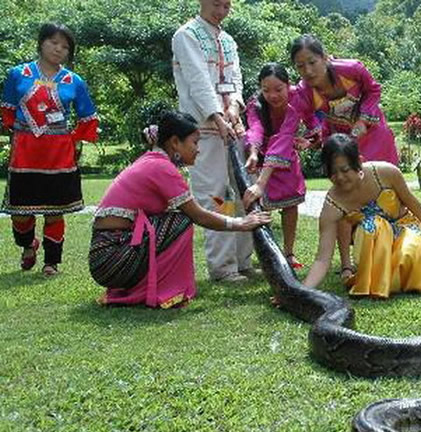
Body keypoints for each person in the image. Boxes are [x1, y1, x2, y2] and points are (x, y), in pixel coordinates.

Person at [89, 111, 271, 308]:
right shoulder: (161, 167)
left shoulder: (153, 161)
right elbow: (198, 215)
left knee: (175, 219)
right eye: (194, 142)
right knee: (181, 222)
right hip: (112, 258)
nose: (198, 150)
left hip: (108, 256)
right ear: (175, 142)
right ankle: (162, 290)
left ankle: (145, 287)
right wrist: (241, 223)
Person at [266, 34, 400, 282]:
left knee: (383, 194)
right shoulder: (303, 94)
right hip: (343, 146)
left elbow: (373, 89)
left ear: (325, 58)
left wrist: (363, 120)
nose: (307, 71)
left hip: (374, 136)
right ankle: (347, 264)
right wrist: (262, 180)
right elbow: (289, 131)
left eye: (312, 62)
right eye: (300, 66)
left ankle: (389, 251)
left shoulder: (352, 69)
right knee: (345, 199)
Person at [302, 134, 421, 298]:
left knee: (410, 255)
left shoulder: (385, 173)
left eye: (345, 170)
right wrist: (301, 291)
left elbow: (411, 201)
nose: (339, 177)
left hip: (404, 228)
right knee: (373, 225)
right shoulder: (332, 204)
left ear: (359, 162)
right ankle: (376, 277)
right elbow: (322, 259)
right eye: (332, 172)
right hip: (371, 241)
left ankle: (392, 276)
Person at [1, 23, 98, 276]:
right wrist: (19, 132)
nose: (58, 49)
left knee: (55, 211)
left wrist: (71, 138)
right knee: (20, 213)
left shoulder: (74, 81)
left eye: (65, 46)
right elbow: (7, 111)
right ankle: (27, 244)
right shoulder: (17, 74)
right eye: (53, 42)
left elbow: (88, 117)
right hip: (25, 153)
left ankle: (51, 262)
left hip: (59, 155)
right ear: (41, 43)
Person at [172, 0, 255, 284]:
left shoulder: (228, 40)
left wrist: (234, 107)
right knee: (217, 195)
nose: (221, 11)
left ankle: (243, 261)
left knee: (243, 191)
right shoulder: (186, 35)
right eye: (216, 4)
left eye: (226, 6)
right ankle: (223, 267)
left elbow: (236, 79)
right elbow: (197, 80)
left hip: (233, 126)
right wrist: (217, 116)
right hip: (203, 131)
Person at [242, 63, 315, 269]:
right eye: (266, 90)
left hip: (286, 153)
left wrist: (309, 140)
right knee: (259, 205)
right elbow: (255, 129)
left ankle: (289, 253)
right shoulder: (255, 105)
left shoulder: (297, 99)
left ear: (288, 84)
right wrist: (253, 153)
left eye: (278, 89)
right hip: (261, 155)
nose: (272, 95)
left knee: (290, 203)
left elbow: (293, 132)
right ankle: (268, 252)